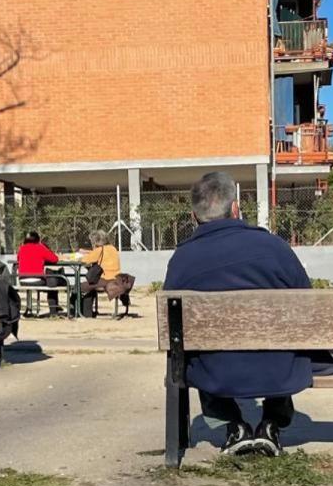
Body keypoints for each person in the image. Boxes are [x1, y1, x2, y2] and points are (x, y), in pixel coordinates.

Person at [163, 172, 320, 457]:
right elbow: (308, 305)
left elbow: (174, 324)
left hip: (216, 372)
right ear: (236, 209)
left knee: (192, 352)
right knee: (284, 339)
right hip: (280, 368)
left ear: (194, 216)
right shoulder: (275, 247)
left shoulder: (182, 258)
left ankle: (233, 426)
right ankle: (271, 423)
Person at [78, 230, 133, 317]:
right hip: (117, 278)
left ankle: (82, 312)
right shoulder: (112, 248)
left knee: (81, 287)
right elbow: (98, 255)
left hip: (106, 279)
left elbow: (86, 260)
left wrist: (79, 256)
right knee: (90, 286)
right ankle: (87, 311)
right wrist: (88, 252)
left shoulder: (99, 250)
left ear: (95, 241)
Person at [16, 231, 64, 316]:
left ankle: (30, 309)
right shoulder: (40, 247)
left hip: (22, 279)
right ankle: (53, 310)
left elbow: (18, 259)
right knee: (52, 282)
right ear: (38, 239)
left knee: (50, 280)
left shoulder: (21, 248)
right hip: (37, 279)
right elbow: (54, 259)